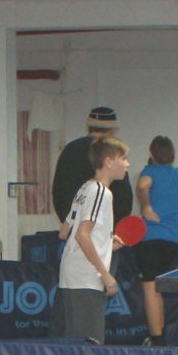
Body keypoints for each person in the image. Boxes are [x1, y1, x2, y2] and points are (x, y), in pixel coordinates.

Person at [57, 135, 125, 342]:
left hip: (71, 275)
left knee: (74, 344)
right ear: (109, 162)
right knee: (90, 347)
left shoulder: (85, 188)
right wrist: (105, 274)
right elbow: (81, 235)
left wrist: (106, 244)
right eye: (123, 158)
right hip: (86, 278)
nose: (127, 164)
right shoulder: (102, 193)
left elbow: (64, 232)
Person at [134, 135, 178, 343]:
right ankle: (161, 336)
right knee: (160, 291)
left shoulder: (150, 171)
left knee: (151, 290)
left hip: (151, 239)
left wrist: (146, 206)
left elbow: (142, 186)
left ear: (151, 154)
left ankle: (156, 340)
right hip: (173, 243)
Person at [51, 105, 119, 222]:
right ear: (112, 129)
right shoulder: (113, 152)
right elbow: (123, 195)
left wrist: (67, 220)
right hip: (105, 224)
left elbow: (58, 190)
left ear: (89, 126)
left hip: (72, 222)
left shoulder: (70, 149)